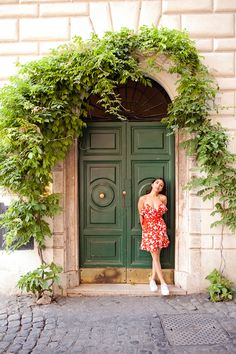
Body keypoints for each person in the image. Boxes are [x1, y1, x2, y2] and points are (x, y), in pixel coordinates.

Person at [138, 178, 170, 296]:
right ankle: (163, 283)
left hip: (160, 227)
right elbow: (141, 216)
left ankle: (152, 280)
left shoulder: (163, 198)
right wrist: (145, 230)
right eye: (157, 183)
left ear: (162, 189)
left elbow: (161, 213)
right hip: (149, 228)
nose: (159, 186)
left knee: (156, 256)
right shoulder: (143, 199)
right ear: (152, 184)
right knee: (155, 256)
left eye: (161, 185)